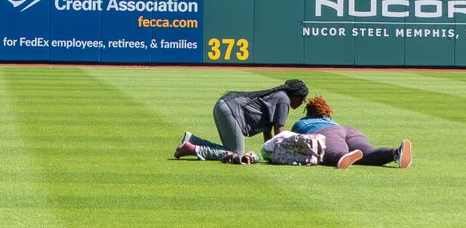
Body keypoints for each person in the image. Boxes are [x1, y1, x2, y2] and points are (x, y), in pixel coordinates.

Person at [174, 79, 309, 162]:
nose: (302, 102)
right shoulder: (284, 99)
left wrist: (271, 154)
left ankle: (192, 140)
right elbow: (279, 131)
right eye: (303, 99)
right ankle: (193, 148)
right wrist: (289, 153)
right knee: (237, 154)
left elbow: (268, 131)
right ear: (296, 96)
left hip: (223, 106)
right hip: (230, 110)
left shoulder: (279, 95)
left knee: (229, 150)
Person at [292, 94, 412, 169]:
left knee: (335, 152)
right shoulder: (330, 120)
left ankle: (343, 156)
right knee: (368, 153)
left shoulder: (302, 122)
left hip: (327, 132)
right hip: (350, 130)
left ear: (308, 112)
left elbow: (292, 140)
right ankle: (395, 152)